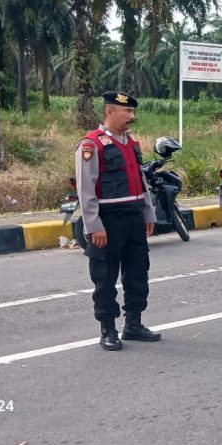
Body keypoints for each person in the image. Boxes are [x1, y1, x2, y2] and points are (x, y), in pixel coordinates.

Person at [76, 91, 162, 351]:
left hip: (134, 217)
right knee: (105, 277)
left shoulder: (132, 143)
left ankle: (133, 324)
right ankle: (108, 329)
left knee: (138, 273)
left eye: (133, 112)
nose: (132, 117)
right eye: (127, 112)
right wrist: (93, 226)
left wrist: (148, 213)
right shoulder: (92, 145)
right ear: (110, 112)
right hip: (108, 221)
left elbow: (141, 181)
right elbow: (85, 189)